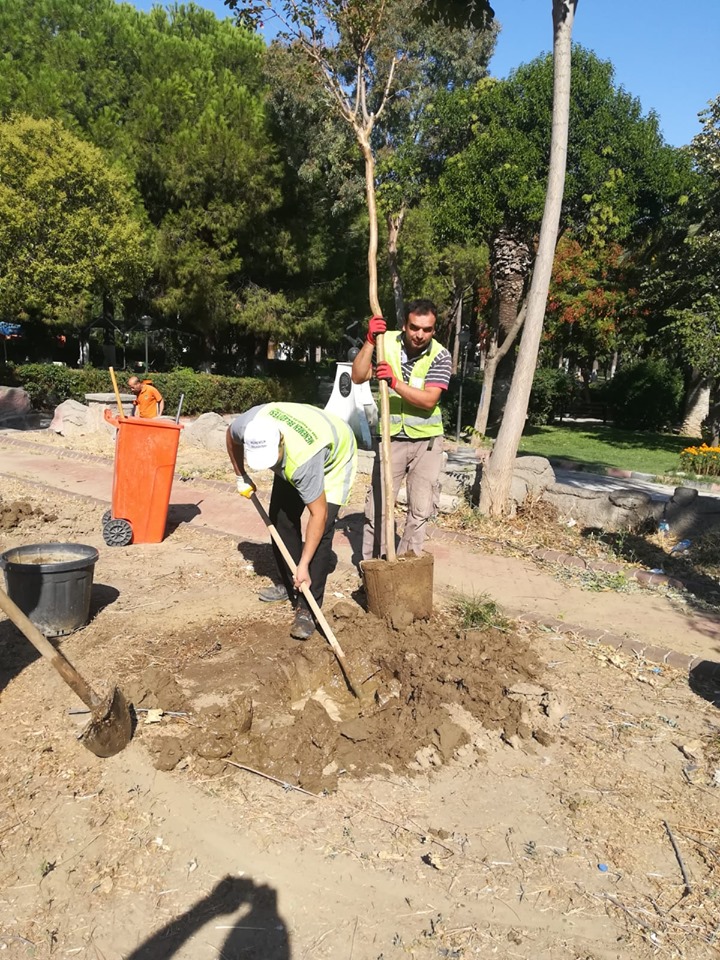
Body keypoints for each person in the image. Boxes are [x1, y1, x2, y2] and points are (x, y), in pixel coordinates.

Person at [226, 402, 357, 640]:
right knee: (280, 519)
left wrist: (304, 563)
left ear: (281, 442)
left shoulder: (303, 461)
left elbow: (318, 515)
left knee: (324, 529)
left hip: (336, 449)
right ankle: (291, 584)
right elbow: (230, 436)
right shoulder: (248, 424)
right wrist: (240, 475)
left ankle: (307, 607)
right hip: (303, 439)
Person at [351, 299, 451, 560]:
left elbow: (429, 400)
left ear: (434, 329)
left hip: (426, 444)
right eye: (414, 327)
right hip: (390, 440)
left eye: (427, 329)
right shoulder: (386, 343)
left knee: (419, 510)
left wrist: (394, 382)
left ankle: (407, 569)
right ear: (405, 325)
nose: (420, 335)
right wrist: (371, 339)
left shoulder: (440, 355)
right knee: (378, 508)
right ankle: (373, 570)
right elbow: (358, 375)